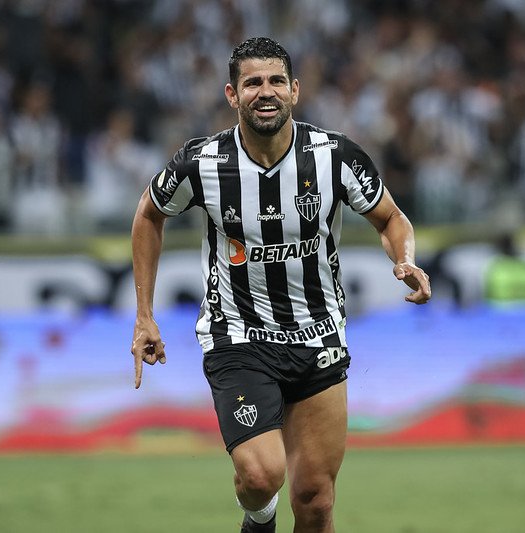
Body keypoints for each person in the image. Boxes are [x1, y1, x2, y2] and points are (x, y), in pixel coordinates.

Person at [130, 37, 431, 533]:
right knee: (261, 475)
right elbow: (149, 213)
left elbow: (391, 218)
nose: (265, 92)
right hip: (238, 336)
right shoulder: (203, 162)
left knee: (315, 500)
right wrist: (144, 314)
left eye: (275, 81)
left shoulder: (334, 156)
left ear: (295, 90)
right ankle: (260, 517)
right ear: (232, 95)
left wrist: (404, 260)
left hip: (319, 335)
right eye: (252, 83)